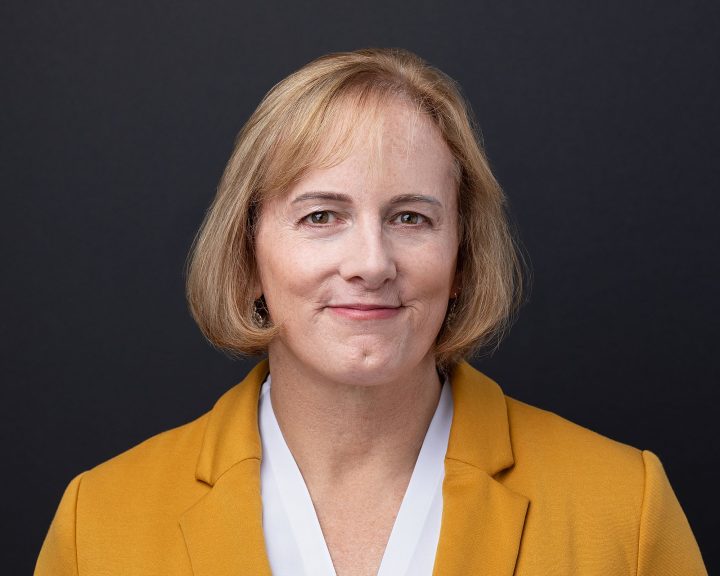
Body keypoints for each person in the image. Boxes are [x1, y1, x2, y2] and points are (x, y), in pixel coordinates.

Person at [35, 48, 706, 576]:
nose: (371, 262)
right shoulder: (99, 520)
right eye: (322, 215)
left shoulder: (625, 508)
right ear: (248, 255)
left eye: (410, 217)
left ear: (463, 254)